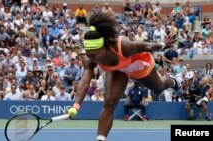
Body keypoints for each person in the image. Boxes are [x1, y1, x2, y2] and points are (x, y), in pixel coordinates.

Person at [68, 12, 179, 141]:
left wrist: (163, 44)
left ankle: (172, 81)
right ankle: (100, 139)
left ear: (104, 48)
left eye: (94, 54)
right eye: (88, 53)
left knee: (159, 88)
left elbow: (148, 46)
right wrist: (76, 106)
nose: (91, 57)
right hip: (117, 71)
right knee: (109, 103)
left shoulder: (124, 45)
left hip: (136, 64)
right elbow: (85, 82)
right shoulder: (89, 59)